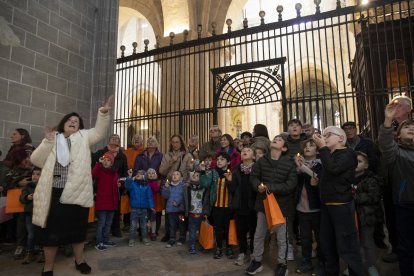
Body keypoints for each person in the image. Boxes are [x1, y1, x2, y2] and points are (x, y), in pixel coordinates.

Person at [30, 96, 112, 276]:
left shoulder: (84, 136)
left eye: (76, 121)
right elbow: (36, 160)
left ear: (80, 126)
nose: (73, 122)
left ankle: (79, 260)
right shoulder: (54, 138)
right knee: (50, 232)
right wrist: (47, 142)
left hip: (76, 192)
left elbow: (99, 131)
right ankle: (48, 266)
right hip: (53, 192)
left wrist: (103, 113)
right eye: (70, 120)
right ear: (63, 123)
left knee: (77, 230)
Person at [312, 126, 363, 276]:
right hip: (327, 205)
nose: (324, 137)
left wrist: (322, 148)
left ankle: (355, 272)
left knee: (347, 245)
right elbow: (329, 174)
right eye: (323, 135)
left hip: (341, 205)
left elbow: (334, 169)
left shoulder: (347, 153)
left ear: (341, 138)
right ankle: (330, 271)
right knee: (327, 244)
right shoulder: (329, 154)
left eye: (328, 135)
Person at [246, 135, 297, 276]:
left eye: (279, 140)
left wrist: (270, 187)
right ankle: (256, 261)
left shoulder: (289, 163)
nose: (275, 139)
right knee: (259, 235)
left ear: (284, 148)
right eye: (275, 138)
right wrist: (258, 186)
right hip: (264, 205)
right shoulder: (262, 161)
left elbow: (291, 184)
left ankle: (282, 263)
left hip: (282, 206)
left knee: (282, 238)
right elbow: (254, 177)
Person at [378, 101, 414, 276]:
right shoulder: (396, 152)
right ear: (398, 136)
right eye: (407, 128)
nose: (411, 129)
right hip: (405, 202)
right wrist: (387, 120)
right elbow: (385, 143)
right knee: (405, 245)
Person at [294, 139, 323, 275]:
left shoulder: (320, 163)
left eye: (311, 146)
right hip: (302, 207)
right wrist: (298, 168)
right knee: (305, 237)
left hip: (316, 206)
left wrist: (303, 167)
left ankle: (321, 262)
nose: (307, 148)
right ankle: (306, 261)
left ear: (317, 150)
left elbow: (319, 178)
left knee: (320, 236)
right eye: (305, 146)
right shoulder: (299, 164)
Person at [351, 151, 382, 276]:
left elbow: (372, 197)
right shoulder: (347, 178)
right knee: (353, 243)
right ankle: (354, 266)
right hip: (351, 217)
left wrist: (354, 196)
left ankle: (371, 266)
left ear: (366, 165)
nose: (355, 164)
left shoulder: (370, 179)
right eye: (354, 161)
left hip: (366, 217)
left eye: (359, 161)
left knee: (367, 243)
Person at [92, 134, 128, 238]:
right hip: (103, 185)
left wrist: (121, 183)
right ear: (109, 141)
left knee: (115, 209)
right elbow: (94, 160)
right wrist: (104, 151)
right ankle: (101, 235)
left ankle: (115, 230)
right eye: (112, 138)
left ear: (119, 142)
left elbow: (124, 172)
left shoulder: (122, 155)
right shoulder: (102, 152)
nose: (114, 140)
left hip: (116, 185)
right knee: (103, 214)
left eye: (116, 139)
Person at [201, 152, 234, 259]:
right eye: (218, 159)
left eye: (222, 159)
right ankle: (219, 248)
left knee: (228, 228)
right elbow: (204, 184)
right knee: (218, 227)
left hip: (229, 206)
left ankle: (229, 247)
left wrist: (230, 181)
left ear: (228, 162)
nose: (219, 161)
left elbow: (234, 189)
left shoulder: (232, 173)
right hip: (216, 205)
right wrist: (202, 172)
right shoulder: (213, 173)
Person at [159, 134, 192, 242]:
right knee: (169, 210)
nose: (175, 144)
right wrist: (171, 162)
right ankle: (169, 233)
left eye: (177, 142)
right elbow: (161, 171)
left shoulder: (187, 155)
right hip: (170, 185)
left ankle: (182, 234)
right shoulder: (166, 155)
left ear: (181, 142)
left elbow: (190, 170)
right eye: (173, 142)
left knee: (181, 210)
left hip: (182, 185)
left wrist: (188, 182)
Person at [227, 147, 257, 266]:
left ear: (254, 156)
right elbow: (233, 190)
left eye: (249, 150)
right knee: (241, 232)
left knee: (254, 232)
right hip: (239, 206)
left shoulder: (257, 168)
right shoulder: (236, 170)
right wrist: (229, 181)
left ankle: (254, 253)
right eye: (243, 151)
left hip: (253, 207)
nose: (245, 152)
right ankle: (242, 253)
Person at [92, 152, 120, 251]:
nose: (106, 162)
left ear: (112, 163)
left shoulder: (114, 173)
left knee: (108, 223)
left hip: (112, 202)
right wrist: (98, 164)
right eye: (105, 159)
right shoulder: (99, 170)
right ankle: (99, 242)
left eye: (109, 160)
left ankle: (105, 240)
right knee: (101, 223)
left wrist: (118, 185)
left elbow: (115, 187)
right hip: (102, 202)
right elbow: (93, 174)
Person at [19, 167, 42, 264]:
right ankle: (29, 253)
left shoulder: (44, 186)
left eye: (38, 174)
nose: (35, 176)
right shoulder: (28, 186)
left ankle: (42, 253)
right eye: (33, 174)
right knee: (31, 234)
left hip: (41, 214)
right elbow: (21, 198)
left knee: (41, 233)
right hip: (30, 214)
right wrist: (27, 197)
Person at [125, 169, 154, 246]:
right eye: (137, 173)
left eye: (141, 174)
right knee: (133, 225)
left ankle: (144, 238)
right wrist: (129, 177)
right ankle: (131, 239)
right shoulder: (133, 184)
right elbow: (127, 186)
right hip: (134, 209)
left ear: (144, 176)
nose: (138, 174)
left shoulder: (147, 186)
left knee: (144, 226)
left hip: (144, 209)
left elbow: (149, 197)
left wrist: (151, 206)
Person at [184, 171, 209, 254]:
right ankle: (192, 245)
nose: (195, 176)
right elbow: (185, 199)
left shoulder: (204, 188)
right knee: (192, 231)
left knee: (202, 231)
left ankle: (202, 244)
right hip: (192, 214)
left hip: (201, 214)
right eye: (193, 175)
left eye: (197, 175)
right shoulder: (188, 188)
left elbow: (206, 201)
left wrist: (206, 212)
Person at [161, 170, 186, 248]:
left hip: (180, 211)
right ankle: (172, 239)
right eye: (173, 174)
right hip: (171, 211)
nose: (175, 175)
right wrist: (165, 188)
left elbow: (183, 196)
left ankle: (182, 237)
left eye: (177, 174)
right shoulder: (169, 186)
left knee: (182, 224)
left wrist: (178, 202)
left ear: (181, 177)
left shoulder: (183, 186)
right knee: (172, 225)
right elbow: (165, 196)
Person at [147, 168, 160, 240]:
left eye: (153, 173)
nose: (151, 175)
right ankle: (146, 231)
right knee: (146, 220)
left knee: (153, 219)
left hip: (153, 205)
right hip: (145, 204)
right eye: (149, 173)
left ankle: (153, 232)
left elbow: (156, 189)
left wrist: (154, 181)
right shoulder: (144, 182)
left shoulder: (155, 183)